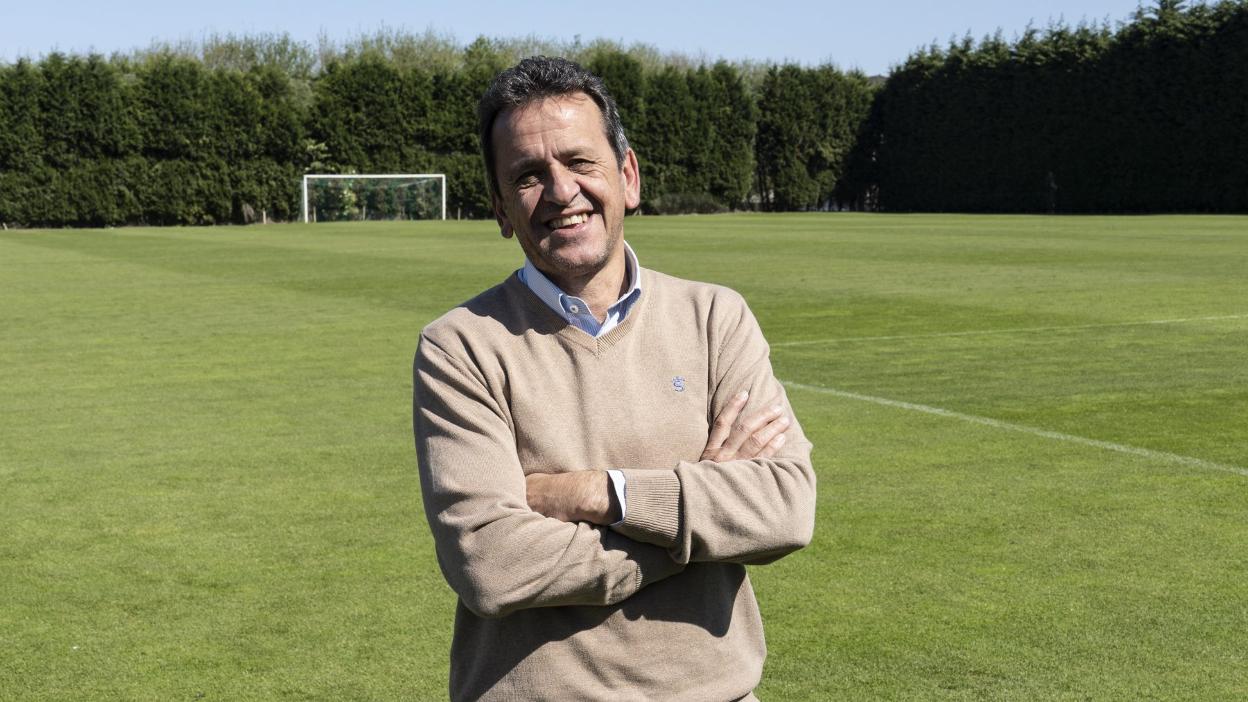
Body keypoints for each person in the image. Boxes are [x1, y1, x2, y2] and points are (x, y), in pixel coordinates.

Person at [412, 56, 816, 701]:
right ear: (499, 207)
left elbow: (784, 510)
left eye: (580, 162)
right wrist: (696, 521)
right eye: (528, 176)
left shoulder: (715, 317)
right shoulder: (461, 346)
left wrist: (601, 494)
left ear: (627, 176)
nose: (561, 192)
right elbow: (490, 565)